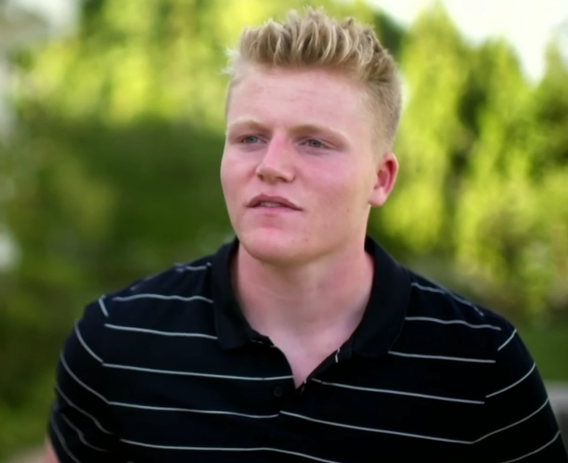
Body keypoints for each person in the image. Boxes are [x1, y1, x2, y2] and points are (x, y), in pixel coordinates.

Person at [42, 7, 568, 463]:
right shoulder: (116, 342)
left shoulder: (483, 368)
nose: (271, 166)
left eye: (313, 143)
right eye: (250, 137)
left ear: (381, 180)